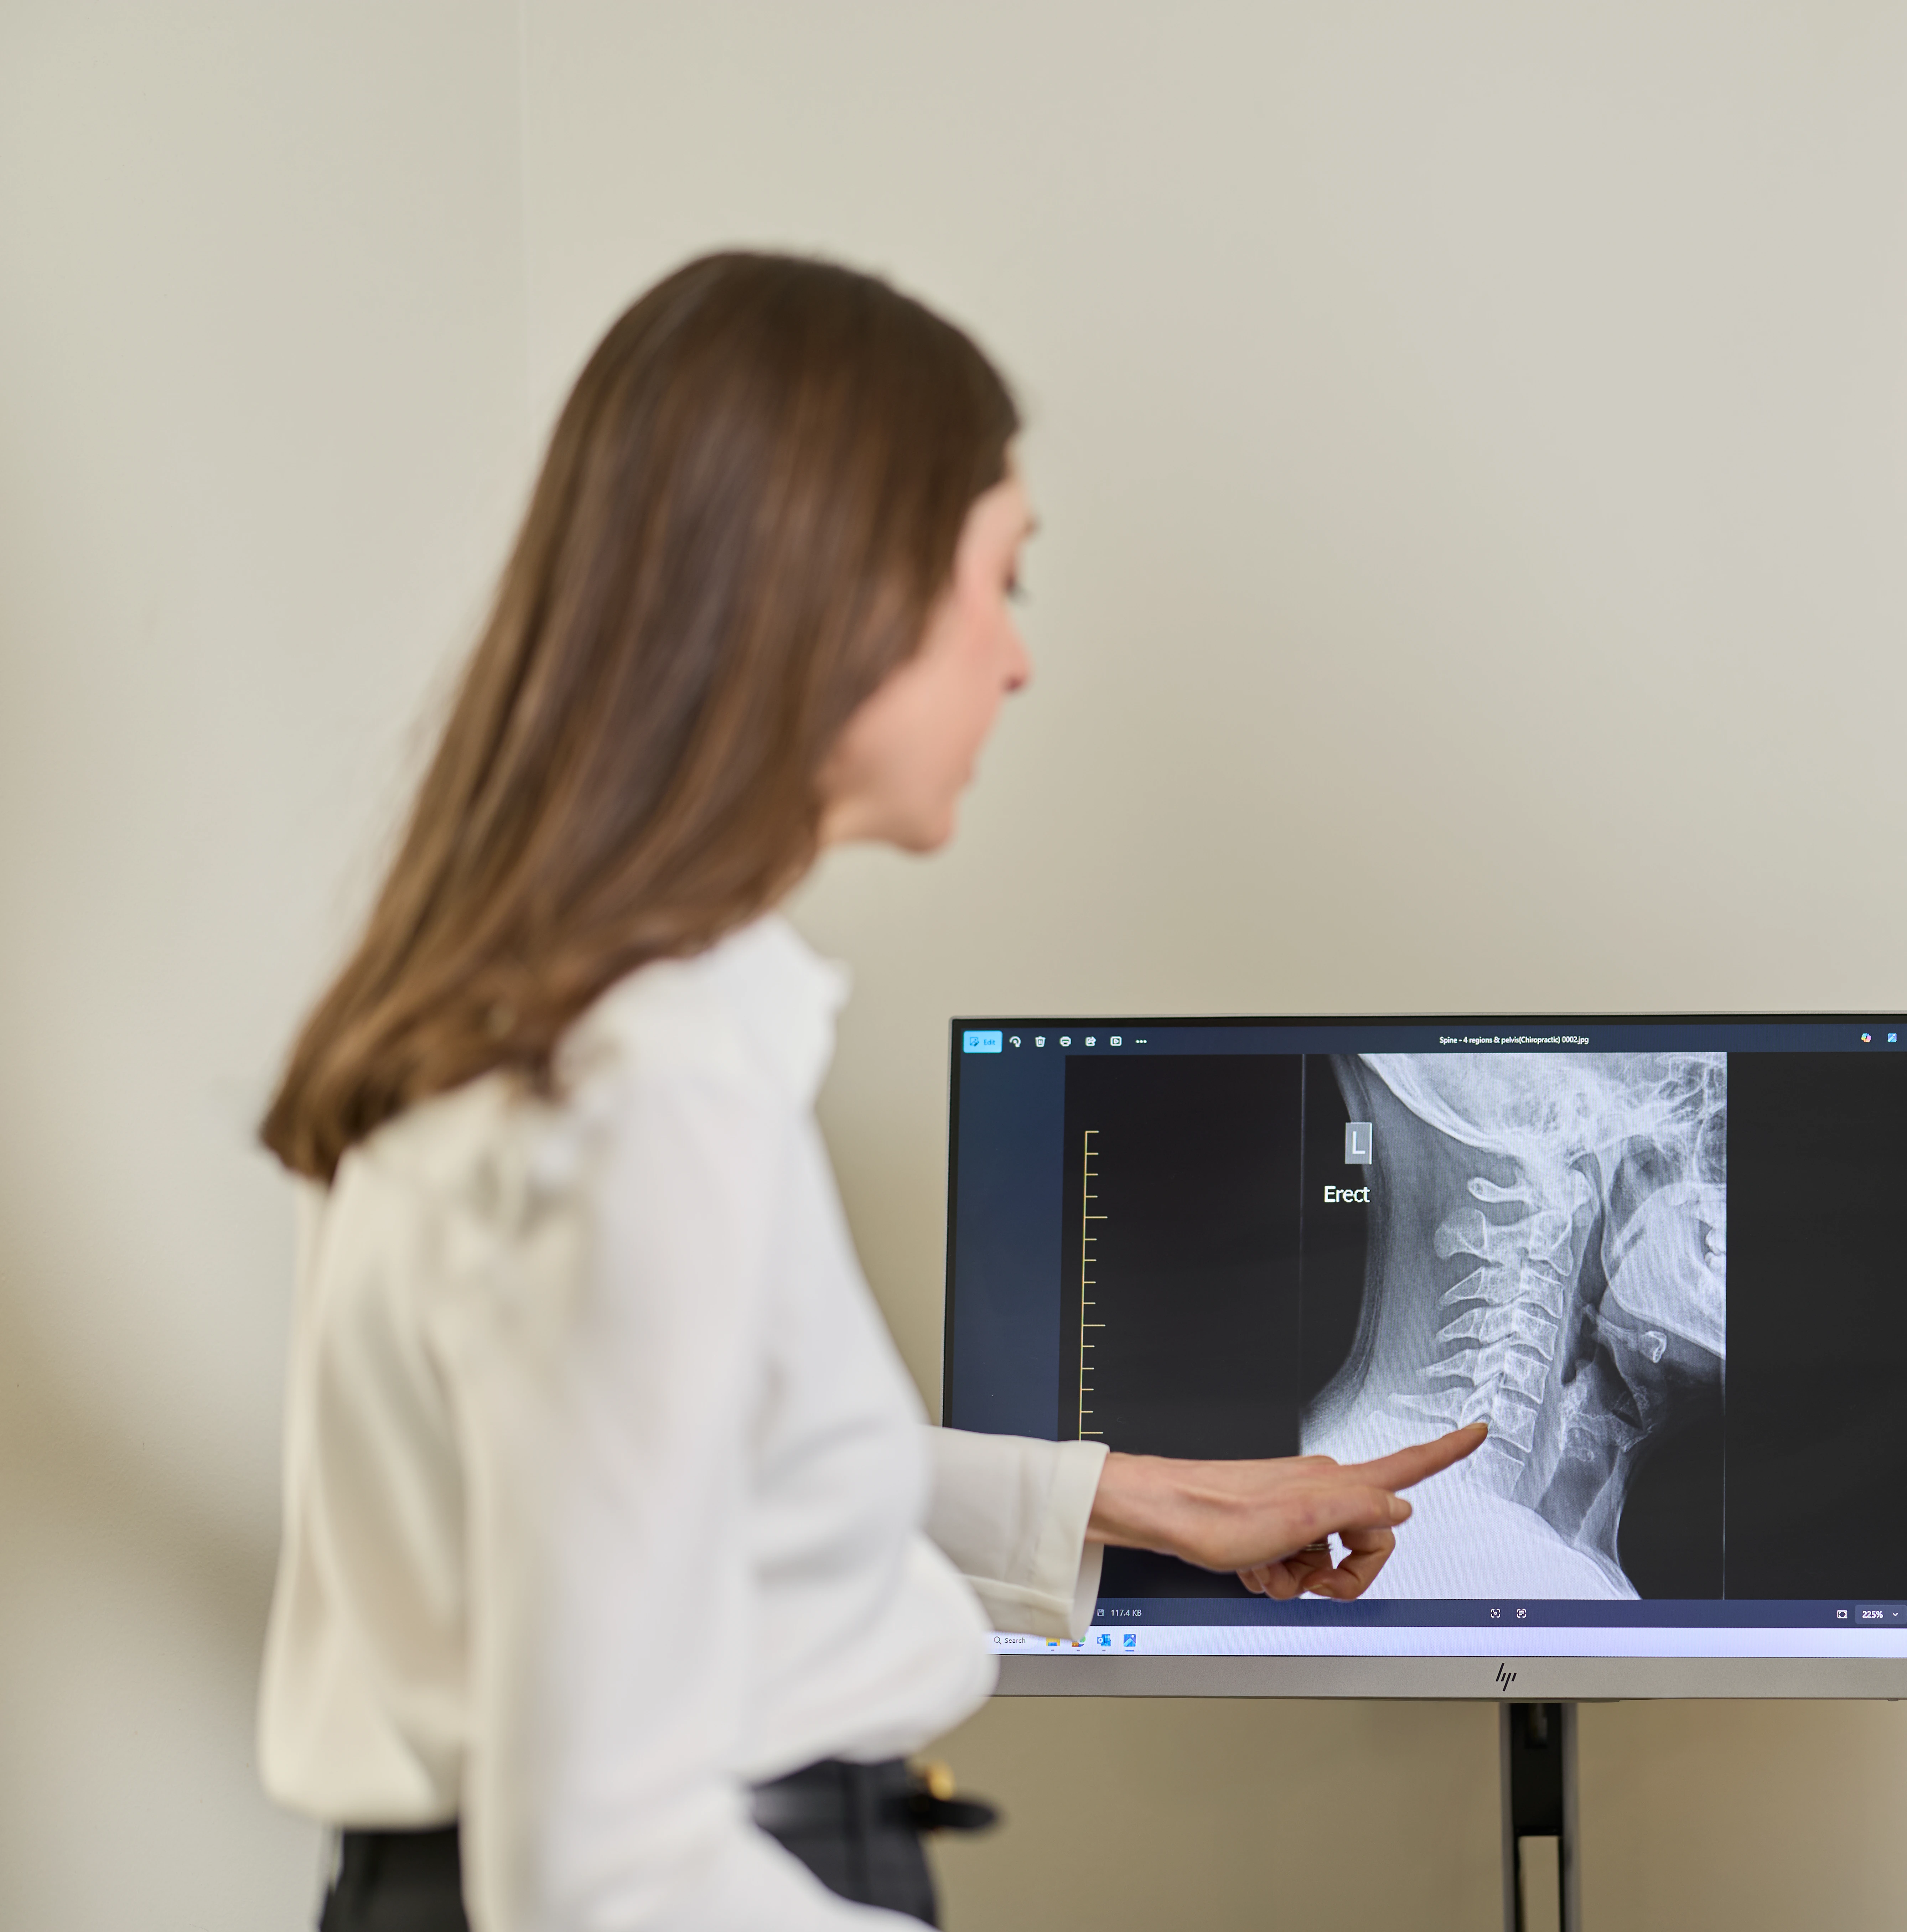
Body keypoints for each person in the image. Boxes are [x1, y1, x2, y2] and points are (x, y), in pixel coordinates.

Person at [254, 251, 1483, 1932]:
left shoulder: (545, 1029)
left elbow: (657, 1468)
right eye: (1001, 580)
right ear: (837, 588)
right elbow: (607, 1868)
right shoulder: (644, 1093)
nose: (1019, 662)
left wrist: (1131, 1499)